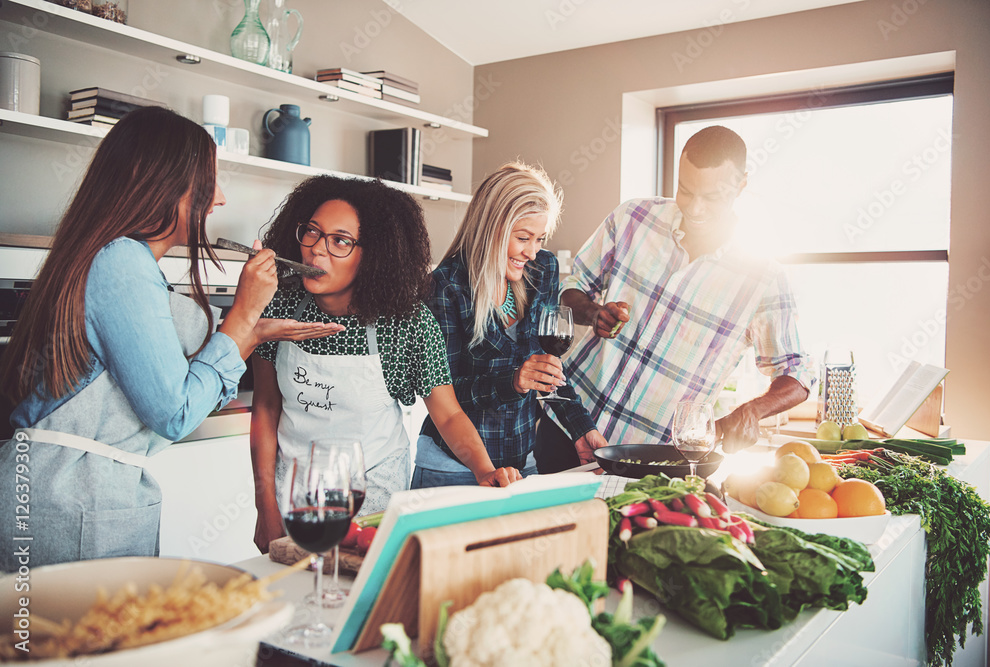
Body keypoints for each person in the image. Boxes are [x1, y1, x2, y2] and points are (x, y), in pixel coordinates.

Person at [0, 106, 338, 571]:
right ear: (161, 184)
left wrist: (250, 329)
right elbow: (174, 413)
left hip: (82, 492)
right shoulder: (122, 262)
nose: (219, 197)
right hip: (72, 498)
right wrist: (242, 314)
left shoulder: (124, 261)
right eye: (208, 180)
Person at [250, 175, 520, 552]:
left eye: (340, 241)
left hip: (372, 494)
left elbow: (448, 415)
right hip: (296, 492)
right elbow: (265, 407)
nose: (316, 251)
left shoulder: (407, 324)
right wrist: (265, 507)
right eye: (312, 232)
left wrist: (484, 469)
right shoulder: (279, 307)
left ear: (374, 254)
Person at [560, 125, 815, 453]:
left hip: (655, 458)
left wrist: (753, 410)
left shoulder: (762, 277)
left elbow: (796, 372)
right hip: (568, 424)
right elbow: (573, 287)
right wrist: (594, 313)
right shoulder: (632, 218)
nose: (694, 208)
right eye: (685, 190)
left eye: (711, 197)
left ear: (741, 186)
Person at [413, 162, 608, 487]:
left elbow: (549, 368)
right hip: (450, 468)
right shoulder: (446, 286)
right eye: (523, 238)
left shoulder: (542, 269)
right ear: (492, 227)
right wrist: (512, 382)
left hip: (520, 466)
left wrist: (581, 429)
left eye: (540, 239)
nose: (532, 252)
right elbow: (443, 393)